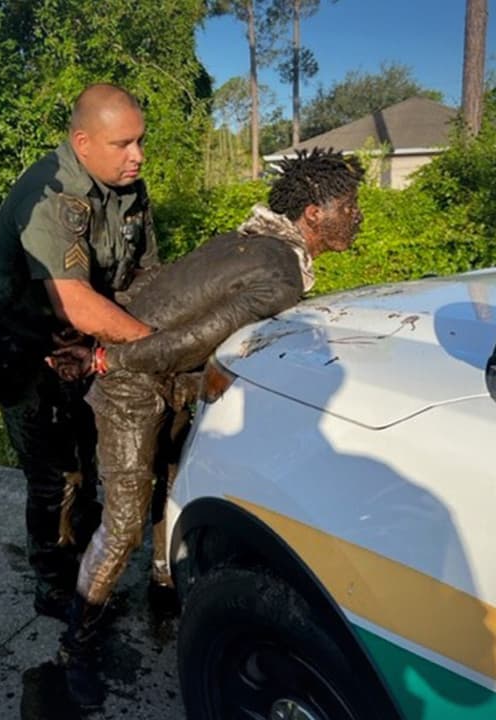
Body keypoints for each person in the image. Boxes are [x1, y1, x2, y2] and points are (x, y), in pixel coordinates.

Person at [50, 148, 366, 707]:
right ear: (313, 214)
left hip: (166, 378)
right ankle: (76, 645)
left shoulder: (249, 240)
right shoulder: (281, 272)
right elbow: (192, 340)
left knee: (172, 486)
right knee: (122, 525)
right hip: (134, 378)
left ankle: (163, 589)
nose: (357, 215)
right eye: (348, 205)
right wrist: (108, 364)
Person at [0, 83, 157, 623]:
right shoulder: (52, 196)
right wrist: (159, 346)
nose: (137, 155)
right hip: (18, 348)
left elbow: (143, 274)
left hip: (75, 345)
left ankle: (88, 558)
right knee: (56, 475)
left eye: (140, 141)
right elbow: (72, 300)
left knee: (88, 457)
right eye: (123, 144)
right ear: (83, 142)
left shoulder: (127, 190)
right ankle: (53, 580)